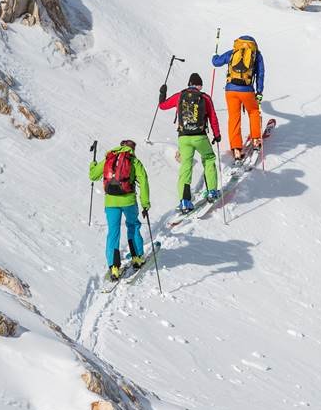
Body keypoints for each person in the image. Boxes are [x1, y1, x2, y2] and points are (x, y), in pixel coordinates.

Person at [158, 73, 222, 213]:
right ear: (198, 85)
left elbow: (162, 106)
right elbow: (213, 118)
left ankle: (184, 201)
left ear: (189, 84)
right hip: (200, 136)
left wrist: (162, 92)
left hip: (184, 137)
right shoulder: (204, 97)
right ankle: (212, 191)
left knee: (186, 166)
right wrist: (217, 135)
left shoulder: (180, 96)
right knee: (209, 158)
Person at [88, 139, 150, 280]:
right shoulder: (134, 161)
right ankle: (137, 258)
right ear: (132, 149)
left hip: (111, 202)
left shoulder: (109, 158)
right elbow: (144, 181)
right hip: (128, 200)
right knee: (133, 226)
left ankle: (114, 267)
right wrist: (145, 204)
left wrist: (93, 164)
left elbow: (93, 175)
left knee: (113, 232)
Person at [211, 35, 265, 162]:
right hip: (247, 90)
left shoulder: (233, 52)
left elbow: (216, 62)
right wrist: (259, 92)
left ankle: (236, 149)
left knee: (234, 117)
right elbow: (260, 74)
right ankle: (256, 140)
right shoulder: (256, 55)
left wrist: (214, 55)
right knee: (253, 112)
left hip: (230, 90)